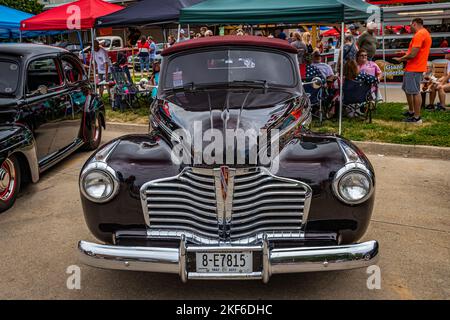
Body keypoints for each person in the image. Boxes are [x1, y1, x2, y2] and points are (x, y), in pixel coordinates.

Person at [393, 18, 432, 123]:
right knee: (408, 89)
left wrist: (401, 59)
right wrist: (405, 52)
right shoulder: (424, 33)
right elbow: (415, 52)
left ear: (414, 24)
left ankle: (417, 117)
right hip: (413, 67)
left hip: (415, 68)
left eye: (410, 25)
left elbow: (413, 54)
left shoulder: (419, 34)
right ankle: (411, 112)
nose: (409, 28)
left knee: (415, 92)